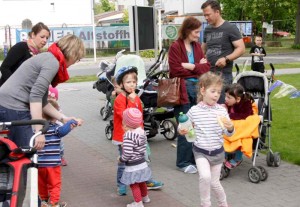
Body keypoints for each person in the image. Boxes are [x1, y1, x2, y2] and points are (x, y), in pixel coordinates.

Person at [0, 34, 85, 150]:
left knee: (16, 152)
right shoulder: (52, 63)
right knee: (26, 151)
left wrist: (63, 118)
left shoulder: (48, 58)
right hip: (14, 106)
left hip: (6, 103)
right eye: (77, 58)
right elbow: (35, 97)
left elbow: (43, 101)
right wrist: (39, 132)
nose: (75, 62)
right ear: (72, 53)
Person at [179, 71, 234, 207]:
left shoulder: (222, 111)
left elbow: (228, 134)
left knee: (215, 183)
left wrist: (231, 128)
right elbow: (182, 126)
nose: (216, 95)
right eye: (213, 91)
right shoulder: (194, 111)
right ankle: (205, 204)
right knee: (205, 177)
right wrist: (182, 130)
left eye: (219, 92)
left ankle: (223, 203)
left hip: (217, 152)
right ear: (203, 90)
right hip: (200, 151)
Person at [168, 16, 211, 173]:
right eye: (196, 32)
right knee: (185, 125)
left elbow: (206, 67)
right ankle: (183, 162)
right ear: (187, 30)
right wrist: (197, 67)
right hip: (182, 91)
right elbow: (175, 70)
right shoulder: (175, 47)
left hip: (197, 89)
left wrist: (191, 66)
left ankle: (195, 159)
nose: (198, 35)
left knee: (197, 124)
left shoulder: (197, 47)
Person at [112, 66, 163, 196]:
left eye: (134, 82)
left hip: (138, 135)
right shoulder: (120, 99)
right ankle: (121, 184)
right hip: (123, 137)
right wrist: (131, 100)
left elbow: (139, 115)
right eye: (128, 82)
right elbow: (126, 116)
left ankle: (146, 180)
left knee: (143, 158)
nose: (132, 85)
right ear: (122, 84)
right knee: (125, 161)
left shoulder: (136, 98)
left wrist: (142, 133)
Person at [201, 0, 245, 104]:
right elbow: (203, 49)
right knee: (208, 106)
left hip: (223, 75)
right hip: (208, 74)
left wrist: (226, 58)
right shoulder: (207, 29)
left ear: (217, 12)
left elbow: (241, 48)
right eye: (204, 15)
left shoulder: (230, 28)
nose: (206, 18)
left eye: (208, 15)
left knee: (221, 107)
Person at [38, 99, 78, 207]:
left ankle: (43, 201)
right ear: (54, 115)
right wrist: (72, 122)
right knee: (54, 184)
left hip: (39, 163)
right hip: (53, 164)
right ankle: (54, 203)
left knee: (41, 183)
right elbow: (64, 130)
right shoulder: (56, 128)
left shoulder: (37, 130)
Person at [118, 108, 151, 207]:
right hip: (142, 162)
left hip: (133, 164)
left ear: (127, 123)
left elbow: (127, 153)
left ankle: (138, 203)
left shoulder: (128, 135)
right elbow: (141, 145)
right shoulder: (141, 132)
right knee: (142, 181)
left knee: (133, 183)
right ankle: (145, 197)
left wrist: (121, 159)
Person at [0, 22, 50, 86]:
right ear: (33, 35)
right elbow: (4, 68)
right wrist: (15, 85)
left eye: (47, 38)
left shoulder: (38, 54)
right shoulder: (21, 47)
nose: (45, 40)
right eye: (42, 37)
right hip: (9, 91)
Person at [48, 85, 68, 166]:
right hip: (47, 129)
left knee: (60, 145)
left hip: (57, 129)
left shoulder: (57, 107)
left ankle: (61, 156)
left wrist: (63, 123)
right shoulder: (44, 107)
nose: (50, 99)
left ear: (56, 98)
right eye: (48, 97)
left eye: (52, 98)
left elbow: (61, 116)